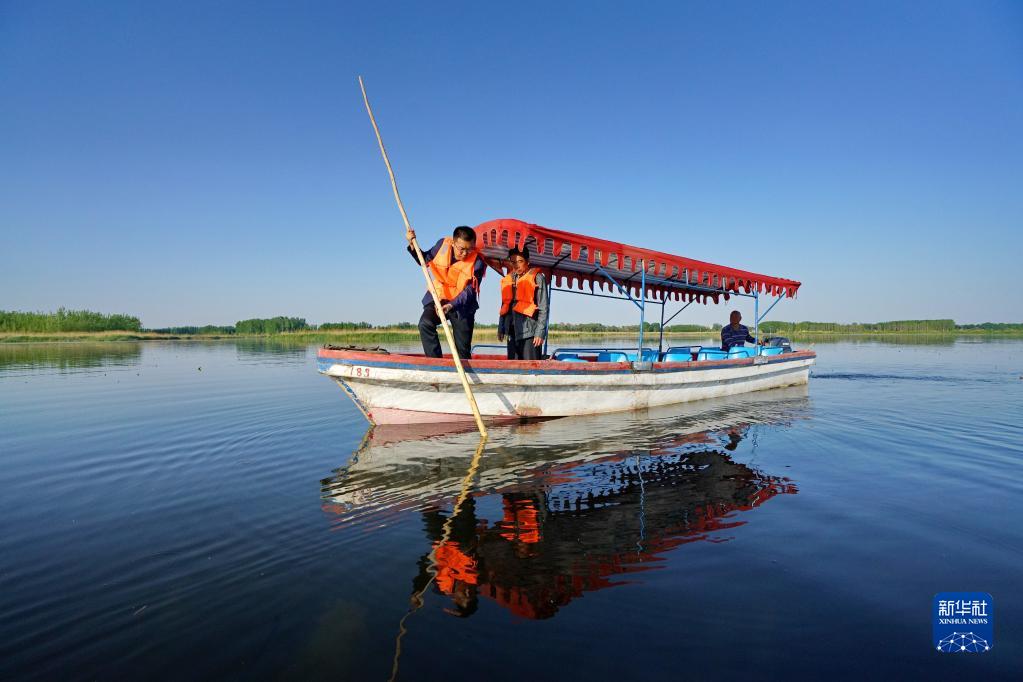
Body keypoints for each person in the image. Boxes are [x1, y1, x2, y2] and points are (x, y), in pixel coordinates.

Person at [407, 225, 487, 359]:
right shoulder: (442, 245)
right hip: (439, 297)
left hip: (462, 304)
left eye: (469, 249)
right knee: (425, 324)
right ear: (454, 243)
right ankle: (435, 363)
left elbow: (470, 291)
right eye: (462, 249)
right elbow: (424, 259)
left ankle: (464, 369)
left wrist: (451, 305)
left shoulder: (478, 261)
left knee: (463, 351)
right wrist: (412, 243)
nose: (465, 253)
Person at [497, 247, 549, 360]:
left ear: (527, 261)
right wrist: (501, 327)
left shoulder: (538, 278)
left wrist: (540, 333)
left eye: (520, 261)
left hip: (530, 334)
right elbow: (504, 304)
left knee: (531, 370)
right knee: (513, 369)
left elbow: (544, 308)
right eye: (513, 262)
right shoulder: (509, 279)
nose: (516, 265)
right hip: (512, 331)